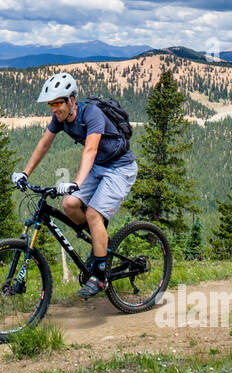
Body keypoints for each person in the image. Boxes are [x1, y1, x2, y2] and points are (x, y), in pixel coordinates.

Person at [12, 71, 138, 298]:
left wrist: (77, 182)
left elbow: (90, 150)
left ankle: (100, 276)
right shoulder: (60, 119)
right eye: (50, 104)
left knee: (92, 214)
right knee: (69, 205)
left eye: (57, 103)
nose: (53, 108)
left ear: (71, 100)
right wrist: (25, 172)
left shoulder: (92, 114)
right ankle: (99, 243)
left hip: (120, 169)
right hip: (99, 167)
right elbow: (43, 144)